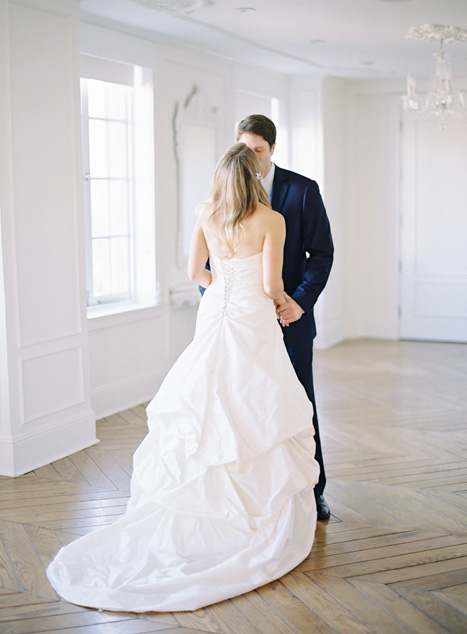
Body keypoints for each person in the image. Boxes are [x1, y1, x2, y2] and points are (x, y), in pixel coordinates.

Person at [46, 143, 320, 613]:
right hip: (252, 315)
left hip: (215, 311)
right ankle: (252, 509)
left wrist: (224, 291)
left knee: (207, 395)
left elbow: (196, 271)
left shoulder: (207, 213)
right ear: (255, 176)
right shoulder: (271, 220)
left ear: (220, 177)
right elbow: (272, 286)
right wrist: (281, 304)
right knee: (254, 399)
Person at [236, 115, 333, 521]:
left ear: (272, 149)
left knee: (299, 402)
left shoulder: (302, 189)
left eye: (258, 150)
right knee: (247, 404)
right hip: (243, 324)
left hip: (290, 319)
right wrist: (226, 303)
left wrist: (299, 302)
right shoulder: (228, 191)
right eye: (245, 149)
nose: (252, 158)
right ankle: (257, 493)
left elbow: (322, 254)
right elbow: (209, 261)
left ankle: (314, 490)